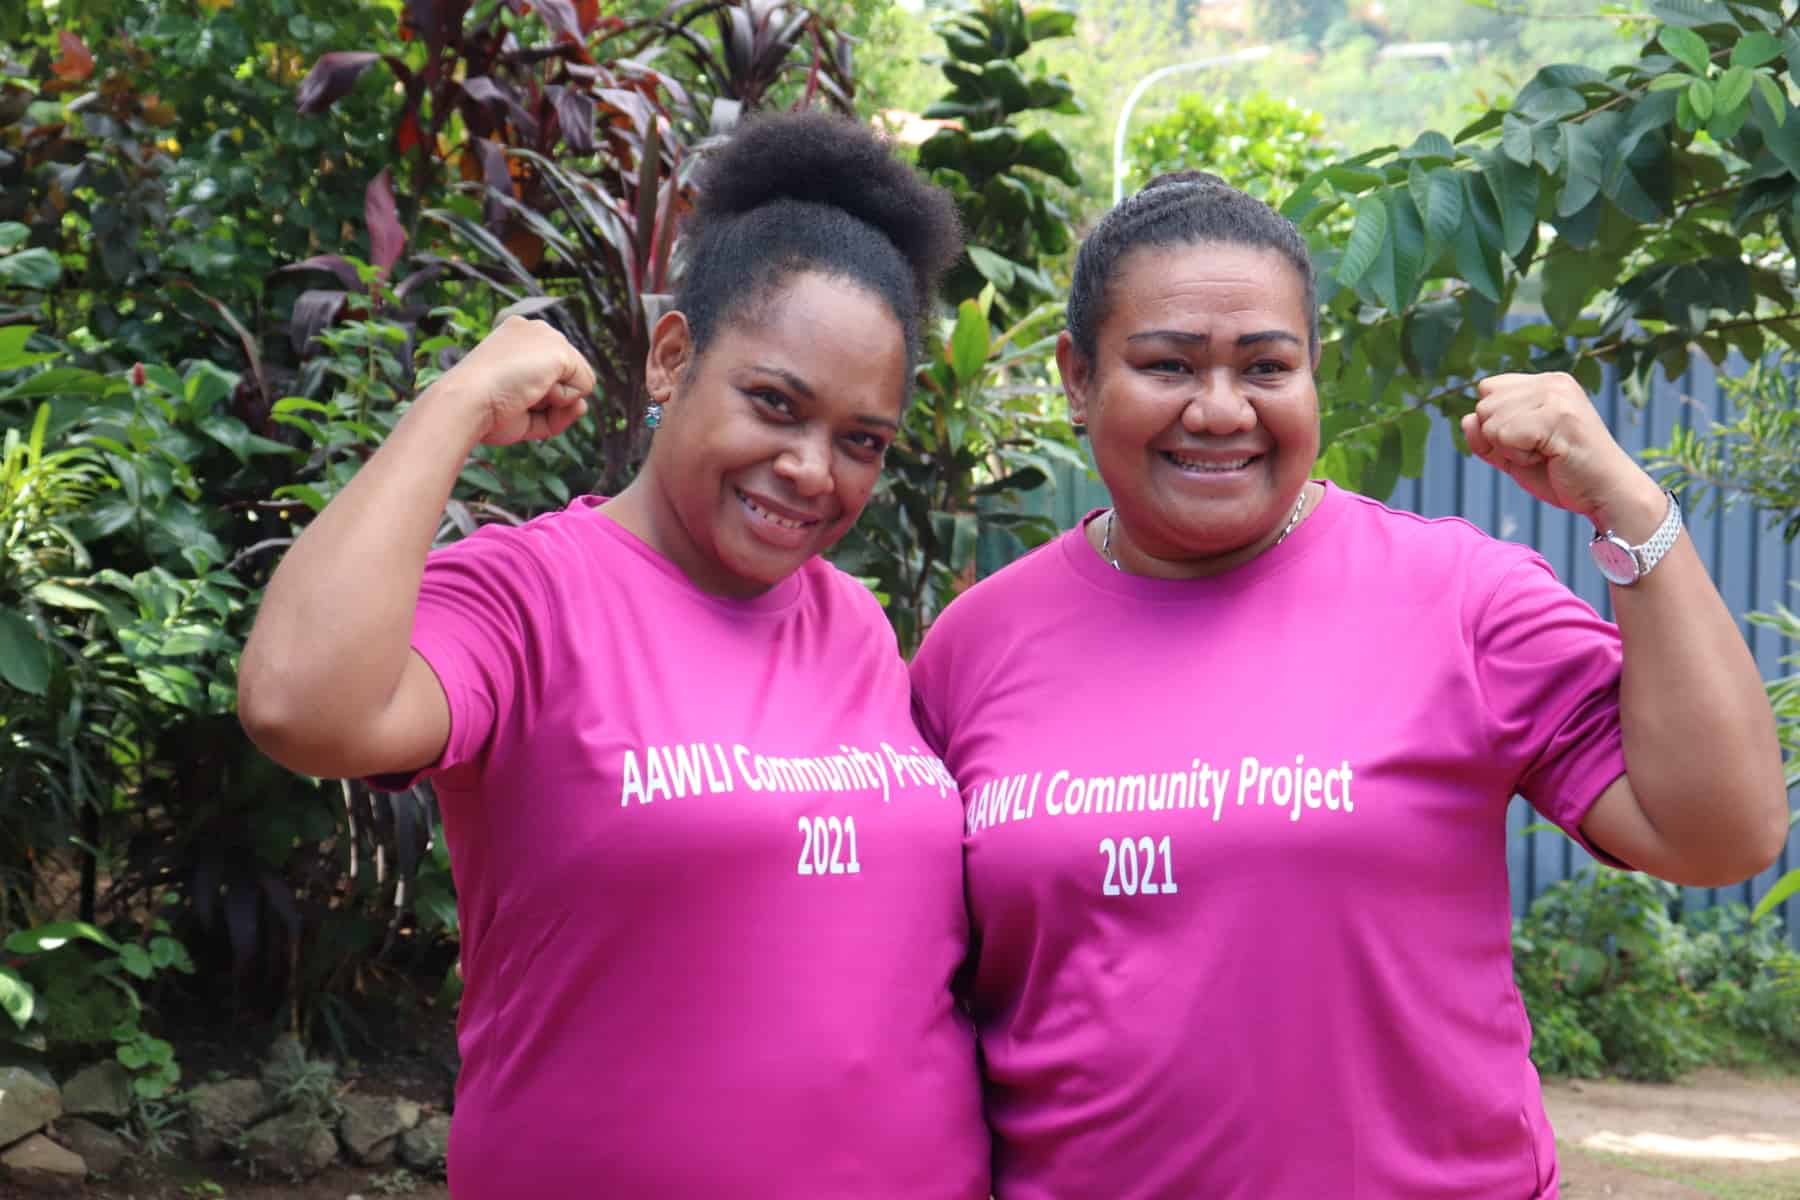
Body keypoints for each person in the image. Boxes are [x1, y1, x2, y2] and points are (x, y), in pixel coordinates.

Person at [909, 172, 1789, 1199]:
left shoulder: (1459, 598)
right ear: (1077, 377)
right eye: (1167, 364)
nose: (1220, 409)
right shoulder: (976, 645)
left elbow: (1721, 834)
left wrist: (1628, 505)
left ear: (1312, 375)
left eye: (1266, 366)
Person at [237, 112, 987, 1197]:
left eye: (860, 440)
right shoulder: (531, 595)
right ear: (672, 357)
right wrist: (453, 405)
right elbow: (298, 706)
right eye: (774, 404)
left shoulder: (856, 625)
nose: (812, 470)